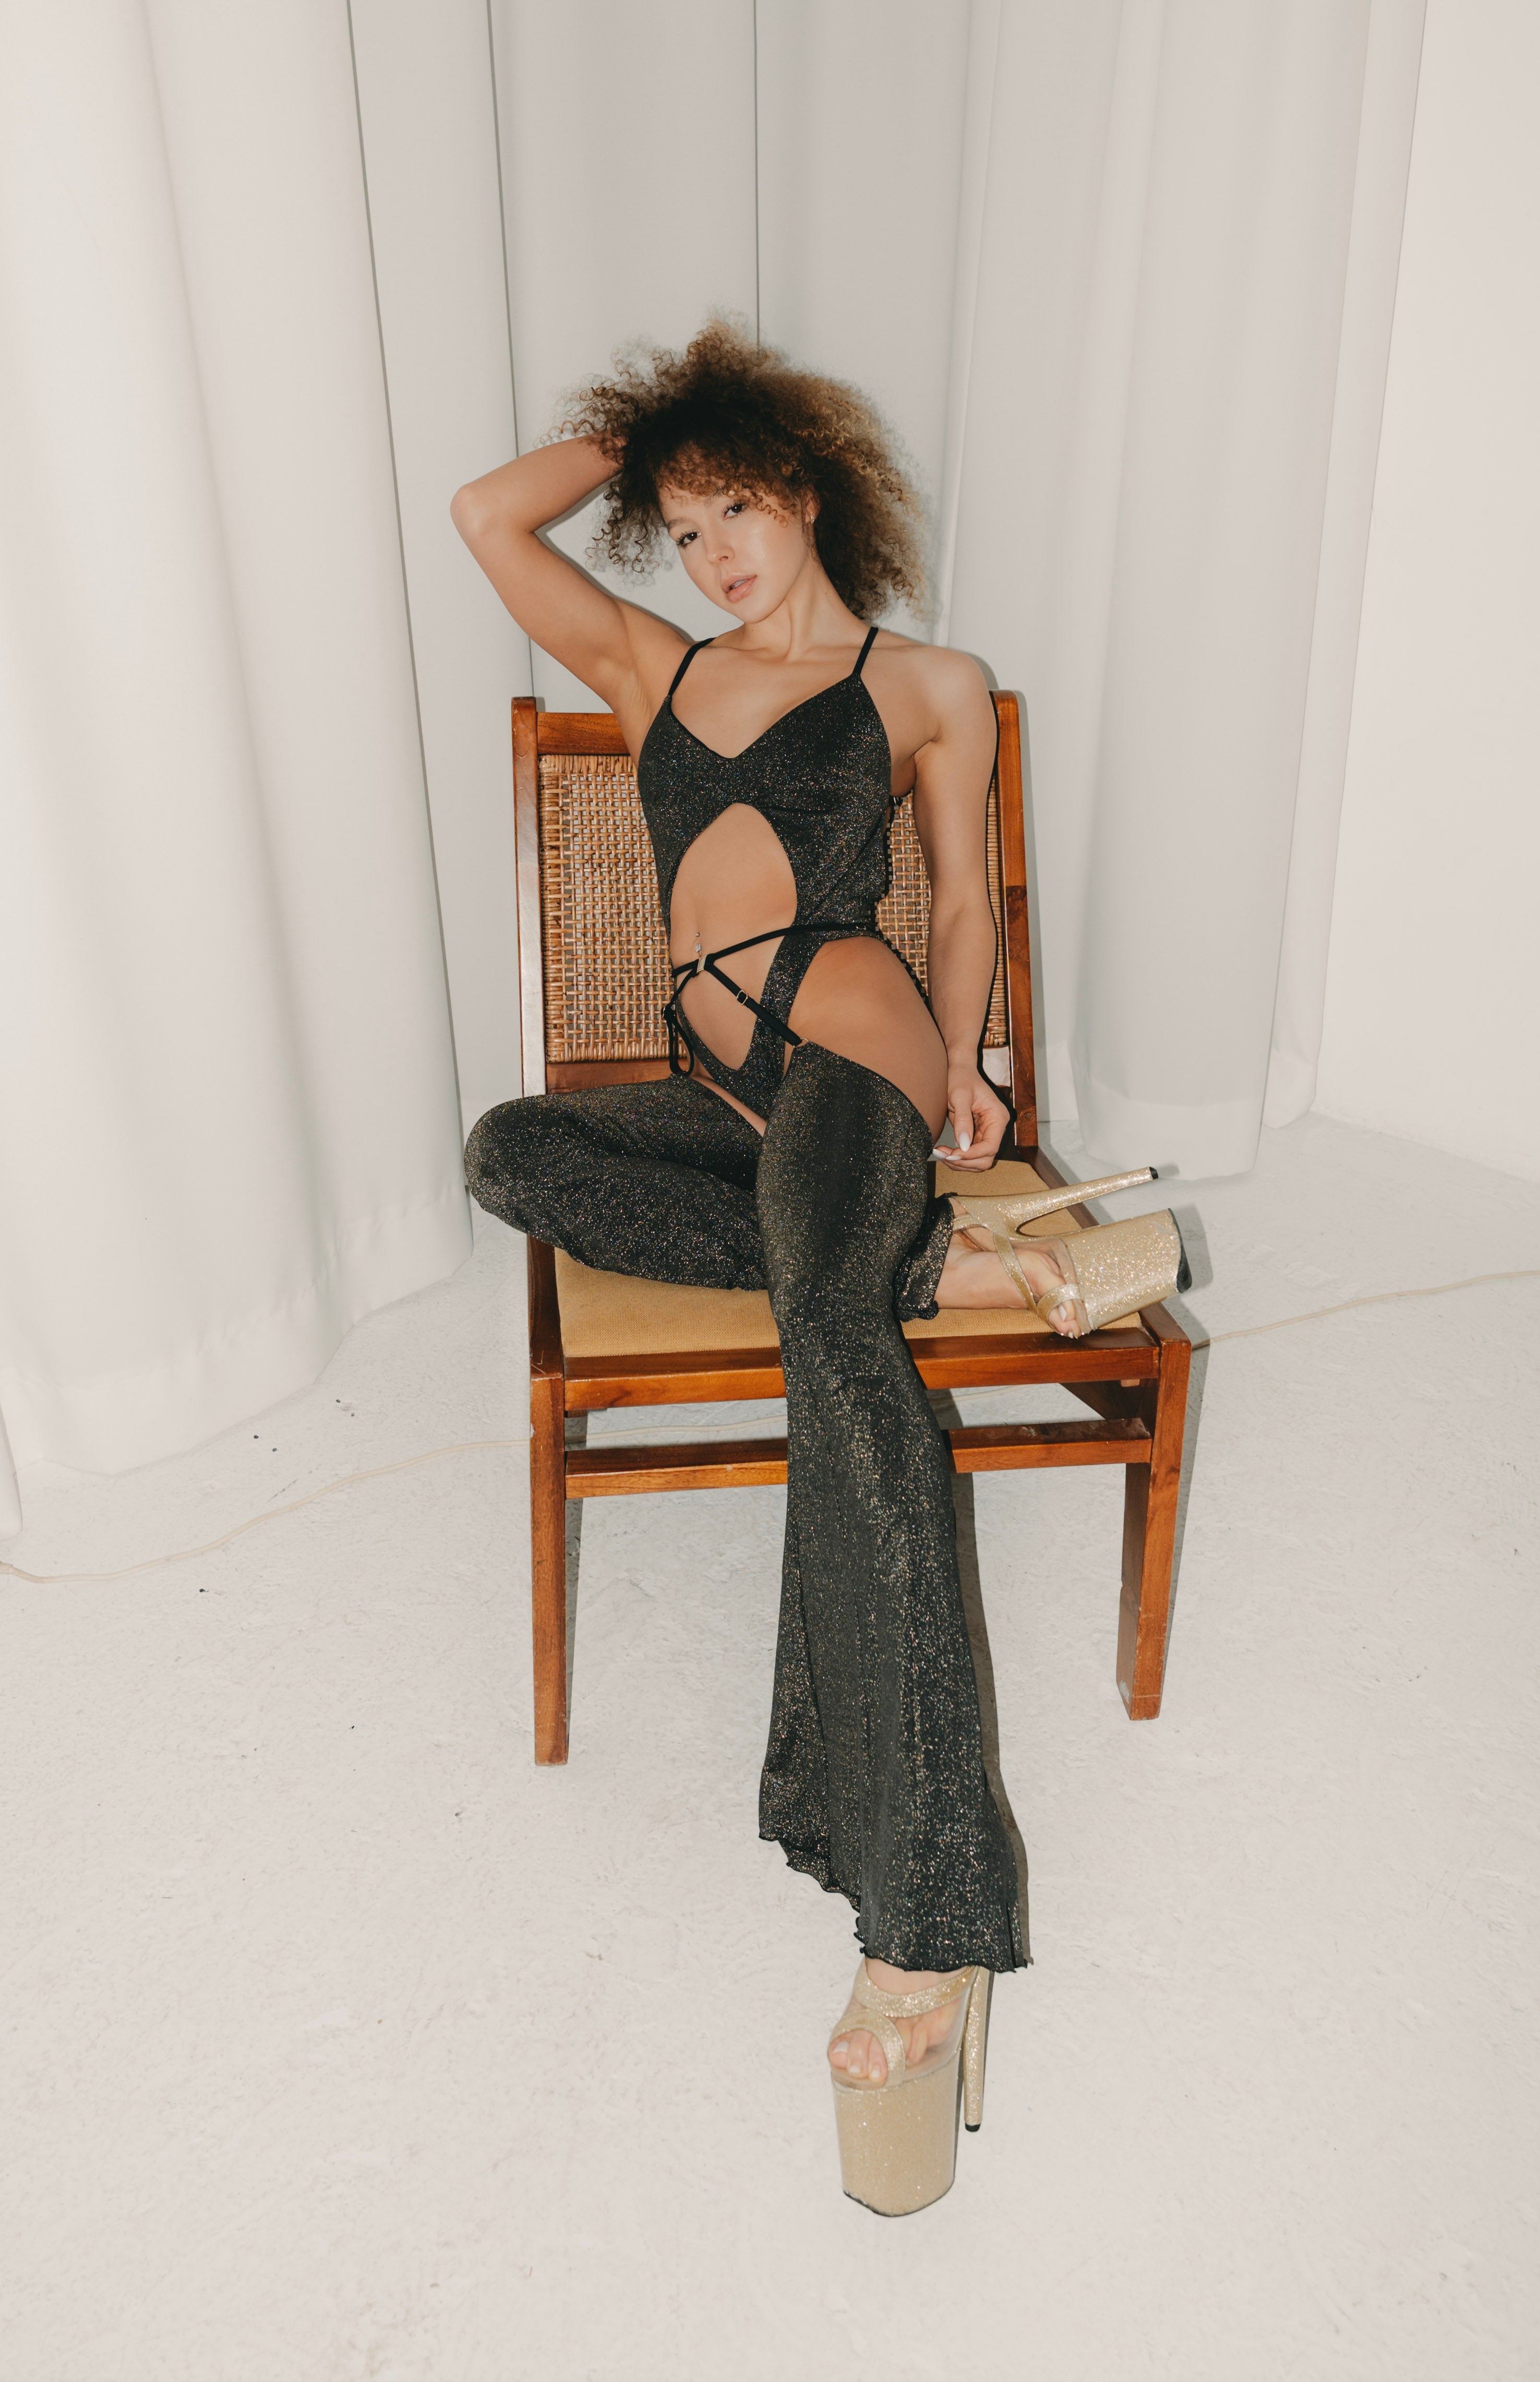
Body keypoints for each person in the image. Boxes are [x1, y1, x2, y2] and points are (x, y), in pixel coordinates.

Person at [451, 321, 1080, 2216]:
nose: (712, 554)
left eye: (735, 508)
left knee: (827, 1349)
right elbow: (485, 517)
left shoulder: (928, 683)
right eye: (684, 526)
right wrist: (642, 430)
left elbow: (955, 903)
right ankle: (901, 1268)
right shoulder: (654, 668)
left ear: (806, 492)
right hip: (710, 1090)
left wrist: (960, 1070)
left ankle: (928, 1925)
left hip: (851, 1053)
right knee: (512, 1151)